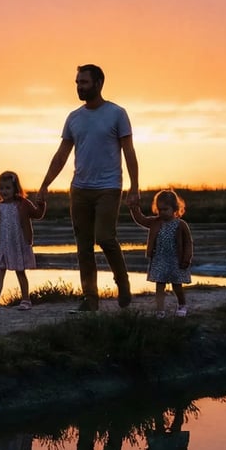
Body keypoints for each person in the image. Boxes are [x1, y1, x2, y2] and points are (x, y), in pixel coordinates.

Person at [38, 64, 139, 312]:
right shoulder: (74, 118)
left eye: (83, 82)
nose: (79, 87)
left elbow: (129, 152)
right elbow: (61, 154)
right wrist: (44, 185)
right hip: (80, 189)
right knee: (83, 246)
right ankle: (90, 298)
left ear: (99, 83)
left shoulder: (117, 113)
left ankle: (122, 282)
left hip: (109, 187)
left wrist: (135, 187)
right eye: (77, 83)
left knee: (105, 237)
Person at [0, 171, 46, 312]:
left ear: (15, 188)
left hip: (18, 243)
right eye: (2, 188)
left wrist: (41, 204)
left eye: (8, 188)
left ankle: (26, 300)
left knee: (20, 271)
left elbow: (37, 214)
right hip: (3, 244)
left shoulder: (23, 204)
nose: (4, 191)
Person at [129, 189, 193, 317]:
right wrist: (134, 207)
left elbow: (188, 243)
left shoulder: (181, 225)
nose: (162, 212)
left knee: (177, 286)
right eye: (160, 209)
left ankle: (182, 305)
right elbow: (140, 219)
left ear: (174, 208)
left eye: (165, 209)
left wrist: (187, 259)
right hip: (160, 259)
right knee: (160, 286)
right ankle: (160, 310)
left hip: (176, 260)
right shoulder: (155, 222)